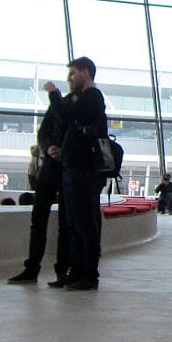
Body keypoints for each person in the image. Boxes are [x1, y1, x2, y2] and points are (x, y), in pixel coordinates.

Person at [9, 84, 71, 287]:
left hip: (66, 170)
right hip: (50, 170)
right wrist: (48, 148)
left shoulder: (70, 106)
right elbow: (43, 132)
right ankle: (32, 268)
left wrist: (59, 149)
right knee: (39, 220)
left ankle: (62, 270)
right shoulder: (58, 107)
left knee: (65, 223)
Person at [55, 56, 109, 290]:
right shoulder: (84, 98)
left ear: (85, 72)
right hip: (74, 167)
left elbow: (70, 116)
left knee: (85, 224)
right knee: (75, 223)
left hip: (83, 170)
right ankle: (76, 272)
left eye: (73, 73)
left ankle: (88, 274)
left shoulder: (92, 97)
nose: (71, 78)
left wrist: (55, 97)